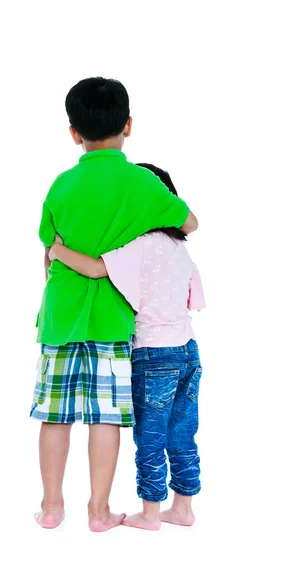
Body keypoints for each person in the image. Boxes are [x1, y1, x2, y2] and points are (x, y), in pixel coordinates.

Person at [31, 77, 198, 532]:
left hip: (61, 313)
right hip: (112, 317)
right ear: (128, 125)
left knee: (54, 414)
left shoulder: (61, 184)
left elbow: (49, 249)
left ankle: (50, 508)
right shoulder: (142, 184)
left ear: (73, 132)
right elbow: (189, 221)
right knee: (105, 416)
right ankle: (99, 511)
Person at [49, 163, 205, 531]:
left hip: (153, 353)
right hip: (188, 351)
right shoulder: (181, 250)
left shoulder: (140, 246)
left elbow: (95, 269)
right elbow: (194, 299)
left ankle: (151, 513)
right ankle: (184, 507)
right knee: (182, 431)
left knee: (149, 436)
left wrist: (58, 252)